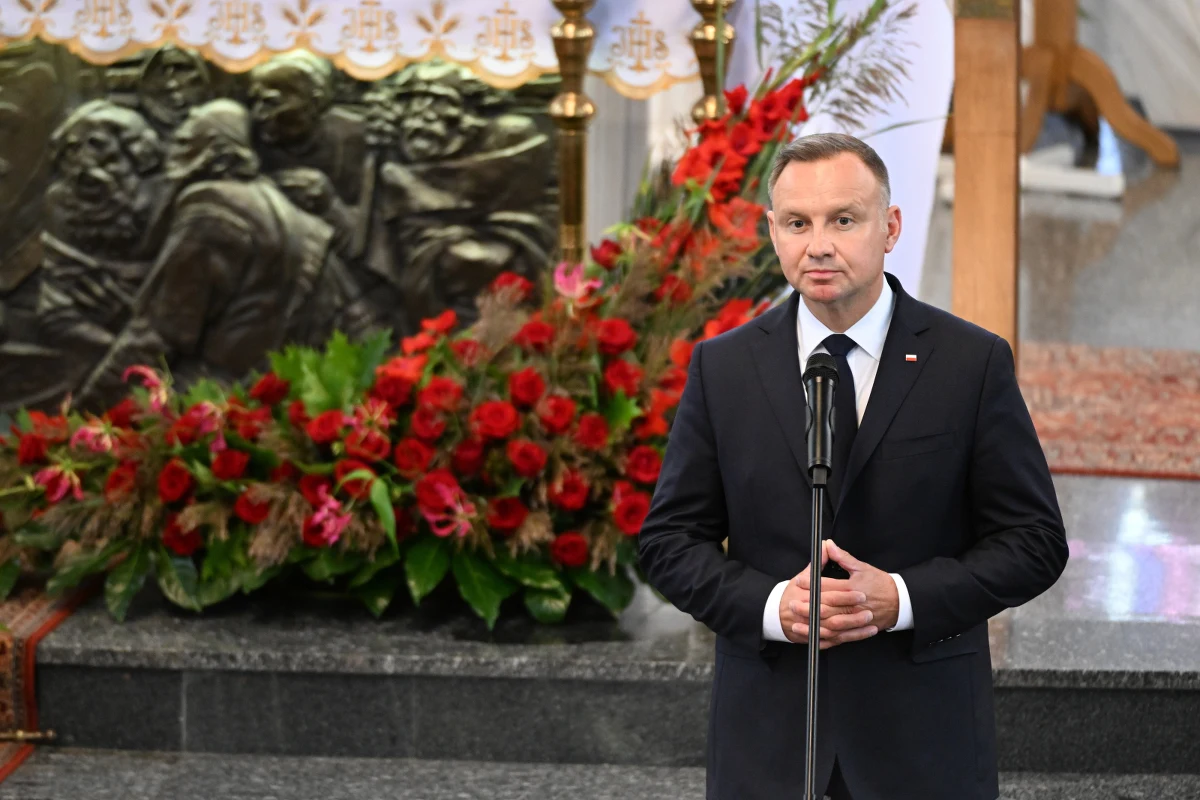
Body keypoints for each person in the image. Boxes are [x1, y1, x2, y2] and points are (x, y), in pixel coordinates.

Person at [638, 133, 1068, 800]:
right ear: (771, 231)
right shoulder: (723, 368)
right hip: (770, 741)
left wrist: (901, 597)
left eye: (844, 219)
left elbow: (1035, 543)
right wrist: (776, 606)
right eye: (797, 223)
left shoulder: (968, 363)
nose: (819, 245)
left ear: (889, 227)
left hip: (922, 739)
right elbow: (668, 542)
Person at [75, 99, 372, 409]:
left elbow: (157, 333)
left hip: (222, 401)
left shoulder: (210, 208)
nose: (174, 140)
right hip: (277, 392)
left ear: (212, 146)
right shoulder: (277, 203)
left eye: (187, 132)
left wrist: (86, 409)